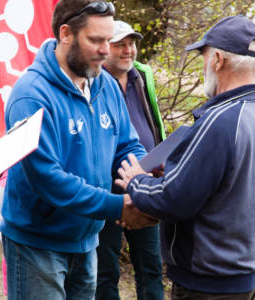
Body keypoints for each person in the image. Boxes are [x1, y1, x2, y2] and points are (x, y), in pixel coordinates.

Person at [115, 15, 255, 299]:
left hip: (208, 283)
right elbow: (227, 185)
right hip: (240, 279)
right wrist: (180, 167)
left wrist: (135, 181)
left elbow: (173, 199)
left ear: (217, 60)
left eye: (204, 58)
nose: (204, 66)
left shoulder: (220, 120)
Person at [0, 1, 152, 299]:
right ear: (66, 34)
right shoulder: (30, 95)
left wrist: (144, 176)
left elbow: (127, 144)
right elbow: (47, 179)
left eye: (108, 40)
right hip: (37, 245)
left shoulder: (105, 83)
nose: (106, 50)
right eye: (96, 40)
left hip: (87, 241)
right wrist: (117, 207)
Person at [96, 20, 165, 300]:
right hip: (107, 189)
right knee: (105, 269)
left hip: (144, 184)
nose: (128, 50)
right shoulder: (95, 81)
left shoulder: (141, 76)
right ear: (104, 48)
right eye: (120, 44)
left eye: (131, 44)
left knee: (151, 265)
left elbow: (153, 122)